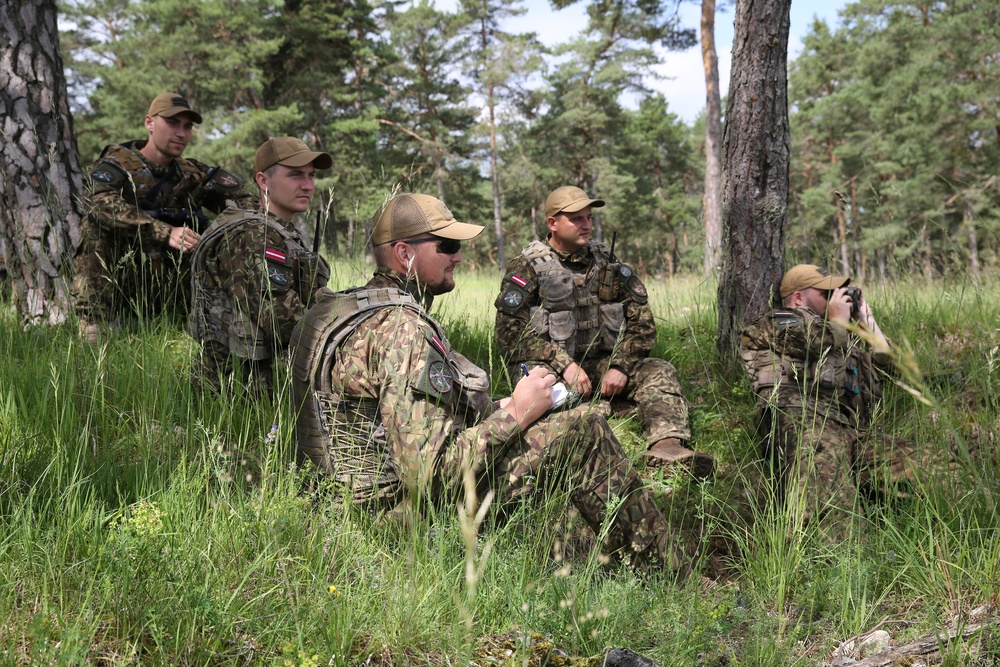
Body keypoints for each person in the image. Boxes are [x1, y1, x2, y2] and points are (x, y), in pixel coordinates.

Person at [290, 193, 686, 571]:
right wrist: (517, 412)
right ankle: (674, 575)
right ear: (405, 254)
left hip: (335, 504)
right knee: (584, 428)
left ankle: (582, 557)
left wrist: (495, 407)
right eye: (445, 245)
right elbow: (430, 472)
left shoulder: (336, 310)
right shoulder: (403, 330)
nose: (459, 256)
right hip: (396, 520)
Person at [494, 186, 713, 478]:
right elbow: (509, 336)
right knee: (540, 392)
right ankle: (597, 417)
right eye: (576, 219)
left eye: (588, 217)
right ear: (552, 223)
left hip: (602, 366)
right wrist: (565, 365)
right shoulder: (528, 267)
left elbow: (643, 325)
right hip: (552, 372)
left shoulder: (607, 262)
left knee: (657, 369)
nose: (586, 225)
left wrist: (620, 366)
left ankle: (668, 448)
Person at [739, 264, 928, 538]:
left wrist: (867, 320)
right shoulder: (779, 319)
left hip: (853, 434)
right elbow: (811, 340)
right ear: (798, 297)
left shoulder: (847, 339)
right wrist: (837, 319)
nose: (838, 297)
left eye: (839, 291)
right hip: (803, 421)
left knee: (929, 464)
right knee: (829, 499)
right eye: (827, 292)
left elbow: (895, 369)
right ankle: (838, 567)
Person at [73, 92, 255, 336]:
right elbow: (98, 203)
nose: (181, 133)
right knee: (96, 227)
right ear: (149, 123)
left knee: (240, 229)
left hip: (175, 286)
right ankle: (94, 326)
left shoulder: (193, 172)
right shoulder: (116, 165)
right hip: (125, 282)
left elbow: (246, 203)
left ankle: (229, 320)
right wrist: (163, 231)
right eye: (172, 123)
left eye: (187, 126)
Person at [188, 137, 332, 392]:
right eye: (296, 175)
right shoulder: (253, 234)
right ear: (263, 181)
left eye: (311, 176)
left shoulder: (278, 232)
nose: (307, 185)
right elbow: (281, 318)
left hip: (261, 383)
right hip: (235, 392)